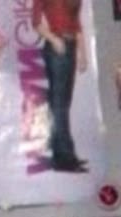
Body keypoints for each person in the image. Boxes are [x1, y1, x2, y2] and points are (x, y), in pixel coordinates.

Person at [32, 0, 88, 173]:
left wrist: (82, 53)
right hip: (56, 47)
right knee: (59, 105)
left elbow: (76, 22)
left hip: (70, 45)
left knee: (63, 103)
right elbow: (36, 21)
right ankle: (66, 156)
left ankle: (60, 156)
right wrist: (54, 39)